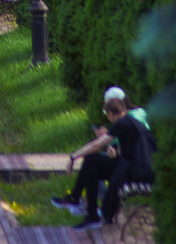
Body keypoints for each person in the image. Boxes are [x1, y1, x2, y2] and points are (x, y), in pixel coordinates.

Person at [51, 85, 150, 216]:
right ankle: (83, 201)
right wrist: (109, 139)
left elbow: (129, 141)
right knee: (92, 163)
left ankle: (89, 201)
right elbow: (124, 141)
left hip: (134, 166)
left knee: (92, 161)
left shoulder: (131, 118)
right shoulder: (136, 113)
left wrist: (74, 156)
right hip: (129, 159)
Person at [67, 97, 156, 231]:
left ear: (109, 113)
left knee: (91, 159)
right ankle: (91, 214)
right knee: (92, 170)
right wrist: (114, 152)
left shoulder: (122, 123)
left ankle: (79, 201)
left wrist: (73, 156)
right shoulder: (131, 121)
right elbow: (130, 149)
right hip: (133, 167)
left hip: (136, 171)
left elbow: (96, 145)